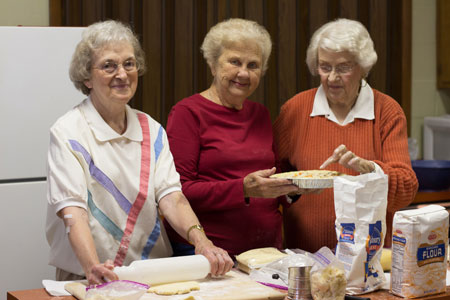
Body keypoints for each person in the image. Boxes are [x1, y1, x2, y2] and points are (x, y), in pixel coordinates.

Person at [45, 20, 233, 285]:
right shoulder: (68, 132)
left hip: (152, 273)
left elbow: (172, 198)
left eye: (129, 64)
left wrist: (202, 242)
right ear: (86, 77)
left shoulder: (152, 129)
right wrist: (92, 267)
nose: (122, 74)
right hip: (89, 274)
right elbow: (73, 211)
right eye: (109, 65)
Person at [274, 18, 418, 253]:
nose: (332, 77)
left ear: (363, 66)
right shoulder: (295, 109)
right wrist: (290, 191)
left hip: (370, 258)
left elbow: (406, 190)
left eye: (343, 68)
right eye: (324, 67)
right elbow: (273, 176)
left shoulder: (386, 111)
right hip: (306, 254)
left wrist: (369, 168)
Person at [165, 18, 304, 258]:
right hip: (209, 253)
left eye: (253, 65)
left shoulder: (260, 113)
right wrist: (243, 189)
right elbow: (179, 191)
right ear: (213, 64)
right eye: (234, 62)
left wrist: (293, 189)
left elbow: (271, 177)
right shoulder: (187, 113)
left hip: (266, 253)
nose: (243, 73)